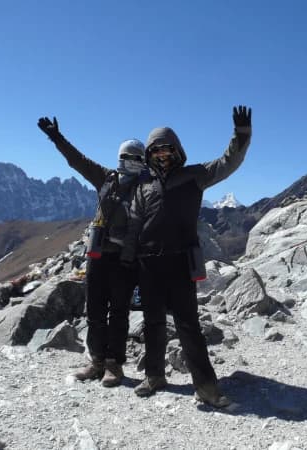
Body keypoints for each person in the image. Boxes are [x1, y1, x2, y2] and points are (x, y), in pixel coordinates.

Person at [121, 105, 252, 407]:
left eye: (168, 151)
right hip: (148, 263)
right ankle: (154, 375)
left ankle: (206, 387)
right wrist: (129, 258)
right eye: (157, 152)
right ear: (150, 156)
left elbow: (228, 162)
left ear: (178, 151)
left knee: (188, 325)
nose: (163, 156)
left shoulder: (196, 176)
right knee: (152, 323)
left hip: (180, 263)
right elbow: (135, 224)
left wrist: (241, 135)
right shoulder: (145, 185)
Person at [37, 116, 147, 387]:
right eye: (127, 157)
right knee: (95, 310)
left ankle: (114, 365)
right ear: (120, 158)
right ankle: (96, 360)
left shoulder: (147, 187)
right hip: (97, 256)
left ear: (143, 160)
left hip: (126, 259)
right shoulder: (105, 177)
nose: (131, 161)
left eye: (137, 158)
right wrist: (57, 138)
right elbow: (77, 160)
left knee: (119, 312)